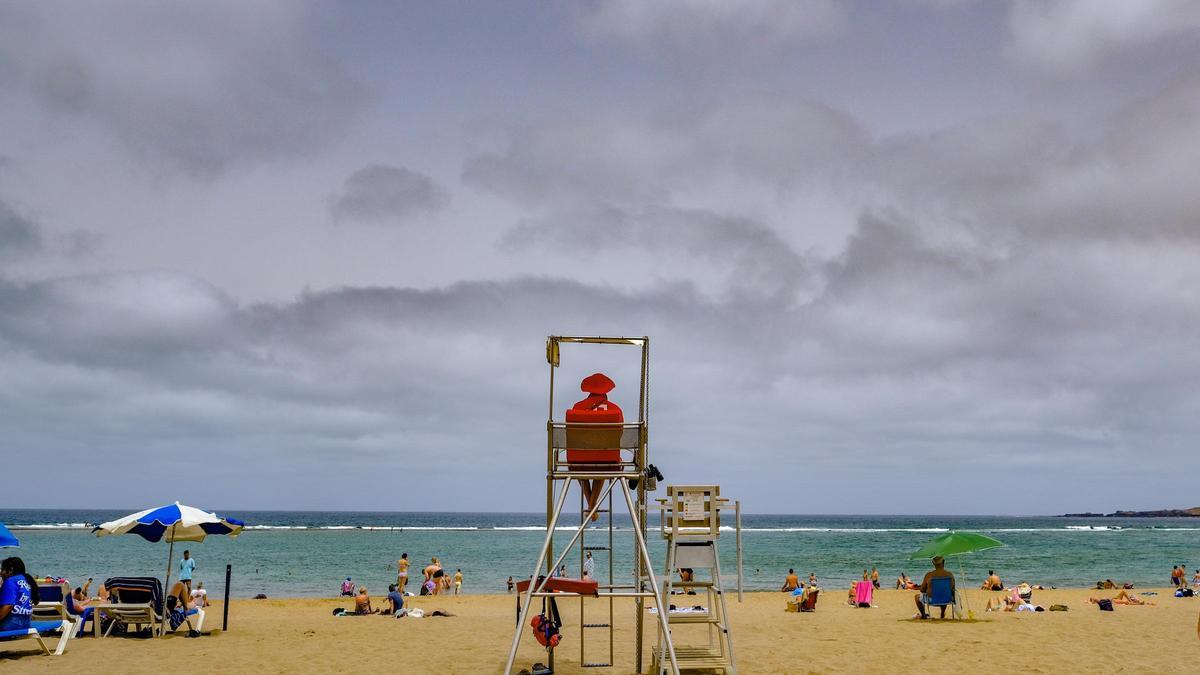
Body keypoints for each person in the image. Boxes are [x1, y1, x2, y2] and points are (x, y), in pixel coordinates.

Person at [566, 373, 624, 520]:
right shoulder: (615, 409)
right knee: (605, 459)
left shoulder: (577, 407)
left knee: (580, 460)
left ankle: (591, 506)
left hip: (578, 462)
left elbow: (572, 435)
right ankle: (592, 507)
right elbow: (620, 434)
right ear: (606, 392)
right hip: (607, 462)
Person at [0, 557, 38, 633]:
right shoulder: (26, 580)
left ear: (10, 570)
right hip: (26, 623)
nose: (1, 573)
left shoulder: (10, 581)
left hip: (10, 624)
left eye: (2, 569)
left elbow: (8, 606)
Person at [914, 555, 955, 620]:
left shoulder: (929, 575)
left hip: (932, 600)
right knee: (944, 592)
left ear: (933, 563)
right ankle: (942, 613)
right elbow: (952, 589)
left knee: (917, 597)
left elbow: (922, 590)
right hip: (947, 599)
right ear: (944, 562)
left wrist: (928, 589)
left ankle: (924, 615)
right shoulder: (950, 575)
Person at [1090, 590, 1154, 606]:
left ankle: (1131, 601)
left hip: (1113, 599)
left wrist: (1090, 601)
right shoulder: (1098, 602)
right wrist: (1091, 601)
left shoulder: (1098, 601)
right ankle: (1138, 604)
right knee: (1126, 602)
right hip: (1113, 601)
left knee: (1123, 592)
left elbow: (1092, 599)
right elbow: (1093, 601)